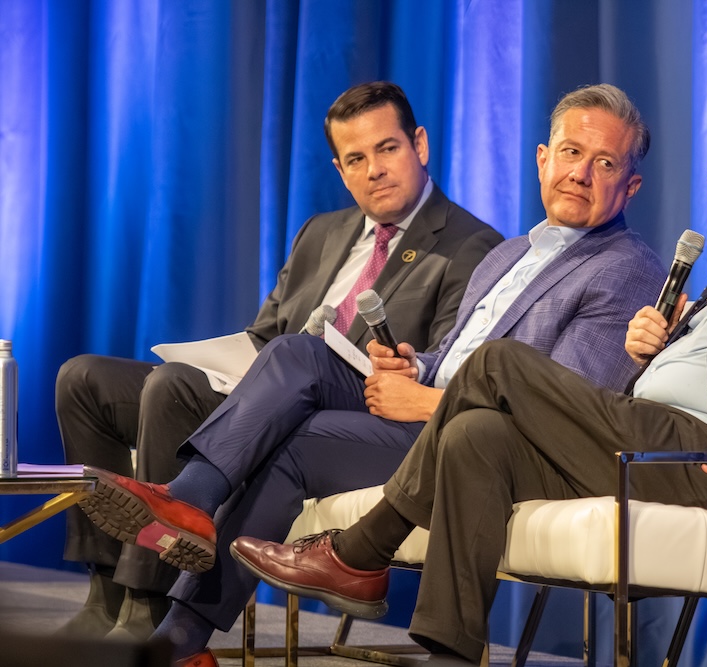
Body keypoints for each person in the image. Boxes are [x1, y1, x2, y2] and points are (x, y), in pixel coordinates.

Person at [231, 101, 707, 665]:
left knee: (497, 363)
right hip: (644, 440)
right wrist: (663, 349)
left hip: (700, 454)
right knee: (475, 435)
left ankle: (360, 550)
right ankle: (450, 653)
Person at [77, 84, 668, 666]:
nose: (580, 174)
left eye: (604, 163)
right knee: (295, 352)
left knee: (297, 441)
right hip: (427, 409)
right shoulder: (510, 254)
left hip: (472, 444)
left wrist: (426, 401)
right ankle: (190, 500)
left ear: (631, 185)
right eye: (570, 152)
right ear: (543, 158)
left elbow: (560, 410)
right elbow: (450, 356)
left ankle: (180, 639)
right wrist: (414, 364)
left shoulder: (625, 269)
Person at [56, 81, 503, 640]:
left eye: (388, 149)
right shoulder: (321, 232)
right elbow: (265, 336)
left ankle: (150, 599)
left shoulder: (471, 245)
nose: (374, 171)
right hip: (262, 397)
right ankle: (108, 594)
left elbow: (440, 366)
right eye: (356, 159)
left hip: (355, 413)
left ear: (420, 145)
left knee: (174, 386)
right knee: (84, 379)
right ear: (340, 170)